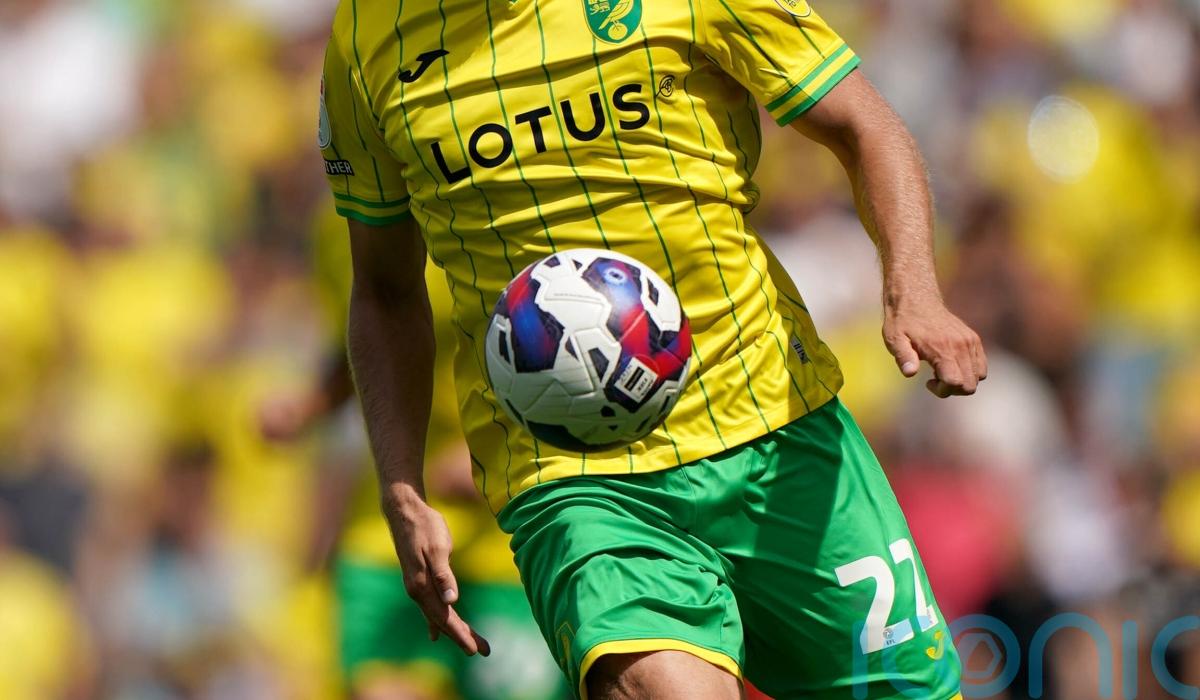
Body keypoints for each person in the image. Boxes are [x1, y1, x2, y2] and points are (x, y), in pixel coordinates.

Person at [318, 0, 987, 697]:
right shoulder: (367, 38)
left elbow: (862, 123)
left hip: (772, 419)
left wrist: (914, 289)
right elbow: (385, 291)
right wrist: (401, 487)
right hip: (573, 474)